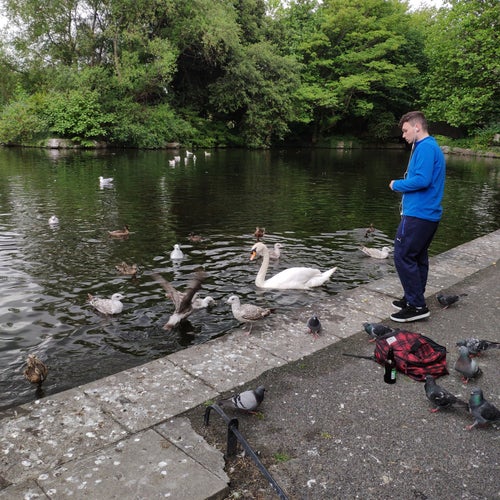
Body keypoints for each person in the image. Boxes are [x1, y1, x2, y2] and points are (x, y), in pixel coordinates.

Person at [389, 111, 446, 322]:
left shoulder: (426, 148)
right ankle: (414, 297)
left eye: (405, 131)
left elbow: (422, 180)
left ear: (417, 127)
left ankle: (417, 306)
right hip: (427, 214)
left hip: (419, 214)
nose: (403, 135)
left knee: (402, 255)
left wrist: (397, 184)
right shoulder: (428, 146)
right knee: (417, 256)